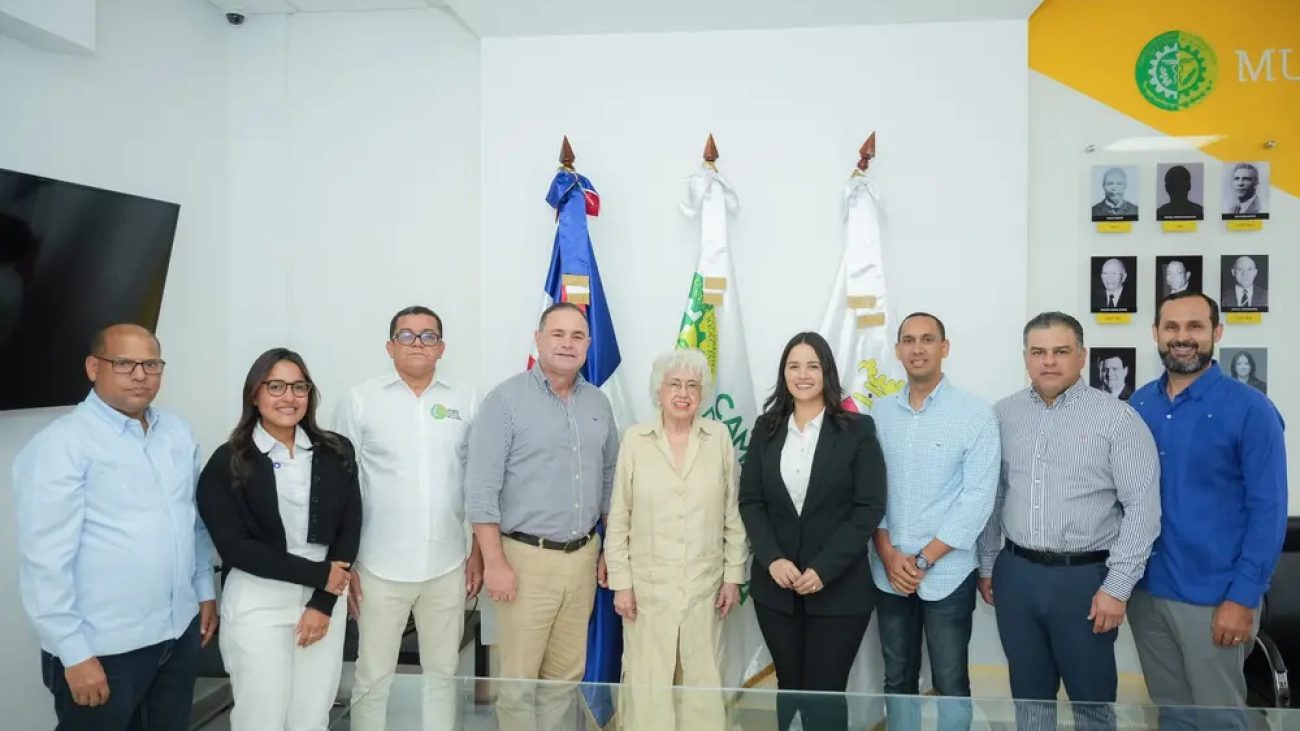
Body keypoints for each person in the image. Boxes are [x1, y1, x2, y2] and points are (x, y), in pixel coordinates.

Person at [12, 324, 217, 731]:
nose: (140, 374)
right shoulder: (62, 445)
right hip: (104, 649)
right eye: (124, 363)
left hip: (176, 633)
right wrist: (74, 654)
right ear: (93, 367)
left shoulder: (175, 432)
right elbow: (44, 562)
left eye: (151, 364)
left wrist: (204, 590)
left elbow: (192, 521)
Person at [976, 312, 1161, 731]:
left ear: (1082, 356)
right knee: (1029, 699)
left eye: (1061, 351)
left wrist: (1116, 588)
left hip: (1085, 580)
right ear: (1025, 358)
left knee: (1092, 703)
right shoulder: (1002, 415)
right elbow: (993, 496)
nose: (1049, 362)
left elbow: (1143, 510)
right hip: (1017, 575)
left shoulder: (1117, 418)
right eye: (1038, 352)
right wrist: (989, 564)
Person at [1128, 292, 1287, 731]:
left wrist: (1243, 597)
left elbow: (1268, 511)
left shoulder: (1251, 410)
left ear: (1216, 333)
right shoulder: (1138, 406)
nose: (1183, 338)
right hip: (1147, 593)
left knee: (1220, 720)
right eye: (1172, 328)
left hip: (1215, 598)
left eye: (1195, 327)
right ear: (1156, 334)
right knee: (1173, 715)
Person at [466, 301, 620, 731]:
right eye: (558, 334)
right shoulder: (506, 400)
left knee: (564, 679)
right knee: (518, 681)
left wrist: (609, 548)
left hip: (584, 557)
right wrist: (494, 562)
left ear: (589, 345)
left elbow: (609, 482)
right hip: (523, 559)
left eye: (577, 336)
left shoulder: (598, 403)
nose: (567, 344)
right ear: (538, 339)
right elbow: (481, 490)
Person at [334, 306, 483, 731]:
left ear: (441, 347)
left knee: (442, 674)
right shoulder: (360, 399)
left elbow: (478, 480)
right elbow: (341, 485)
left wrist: (476, 550)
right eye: (407, 335)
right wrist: (346, 562)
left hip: (448, 563)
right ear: (389, 346)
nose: (417, 343)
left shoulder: (466, 398)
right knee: (372, 676)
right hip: (378, 565)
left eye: (428, 336)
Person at [196, 347, 361, 731]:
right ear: (255, 393)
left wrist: (322, 602)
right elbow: (236, 548)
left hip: (323, 602)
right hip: (258, 601)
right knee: (262, 719)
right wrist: (321, 576)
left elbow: (350, 527)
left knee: (311, 718)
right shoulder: (227, 462)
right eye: (276, 386)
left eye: (298, 387)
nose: (289, 397)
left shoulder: (336, 451)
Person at [738, 331, 887, 731]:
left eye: (812, 366)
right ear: (783, 373)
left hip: (839, 590)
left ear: (827, 372)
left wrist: (824, 568)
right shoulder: (766, 428)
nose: (802, 374)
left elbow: (868, 507)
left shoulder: (857, 429)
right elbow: (751, 501)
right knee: (790, 690)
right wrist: (772, 559)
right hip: (777, 590)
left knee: (824, 694)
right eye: (793, 366)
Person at [604, 347, 748, 731]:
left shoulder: (717, 438)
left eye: (692, 386)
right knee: (648, 687)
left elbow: (731, 514)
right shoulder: (635, 440)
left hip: (705, 588)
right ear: (658, 391)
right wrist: (622, 584)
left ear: (702, 395)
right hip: (647, 592)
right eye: (674, 385)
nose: (683, 393)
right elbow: (619, 518)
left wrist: (733, 576)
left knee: (702, 686)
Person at [869, 313, 999, 731]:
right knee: (897, 679)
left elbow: (978, 499)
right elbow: (869, 490)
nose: (917, 348)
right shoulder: (878, 414)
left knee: (950, 681)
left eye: (927, 340)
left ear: (944, 348)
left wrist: (923, 560)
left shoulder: (975, 414)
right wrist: (888, 553)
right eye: (908, 340)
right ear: (897, 351)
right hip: (887, 570)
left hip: (947, 571)